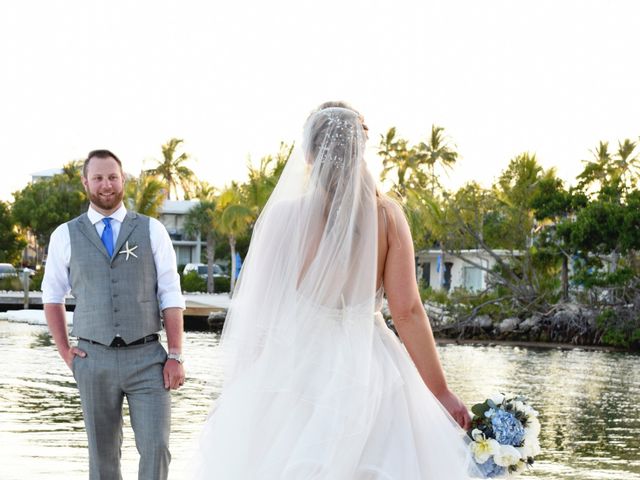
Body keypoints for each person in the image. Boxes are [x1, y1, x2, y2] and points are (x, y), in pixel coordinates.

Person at [193, 103, 484, 479]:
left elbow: (260, 314)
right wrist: (440, 391)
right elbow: (408, 311)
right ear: (361, 151)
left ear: (309, 155)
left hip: (294, 364)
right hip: (372, 368)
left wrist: (242, 389)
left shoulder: (284, 219)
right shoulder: (387, 217)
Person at [42, 149, 186, 480]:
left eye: (112, 177)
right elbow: (52, 296)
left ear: (122, 180)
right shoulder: (65, 235)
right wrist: (66, 353)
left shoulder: (152, 230)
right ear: (85, 182)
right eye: (98, 178)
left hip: (148, 357)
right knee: (103, 457)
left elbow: (171, 293)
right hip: (93, 359)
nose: (106, 184)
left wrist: (176, 354)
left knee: (156, 448)